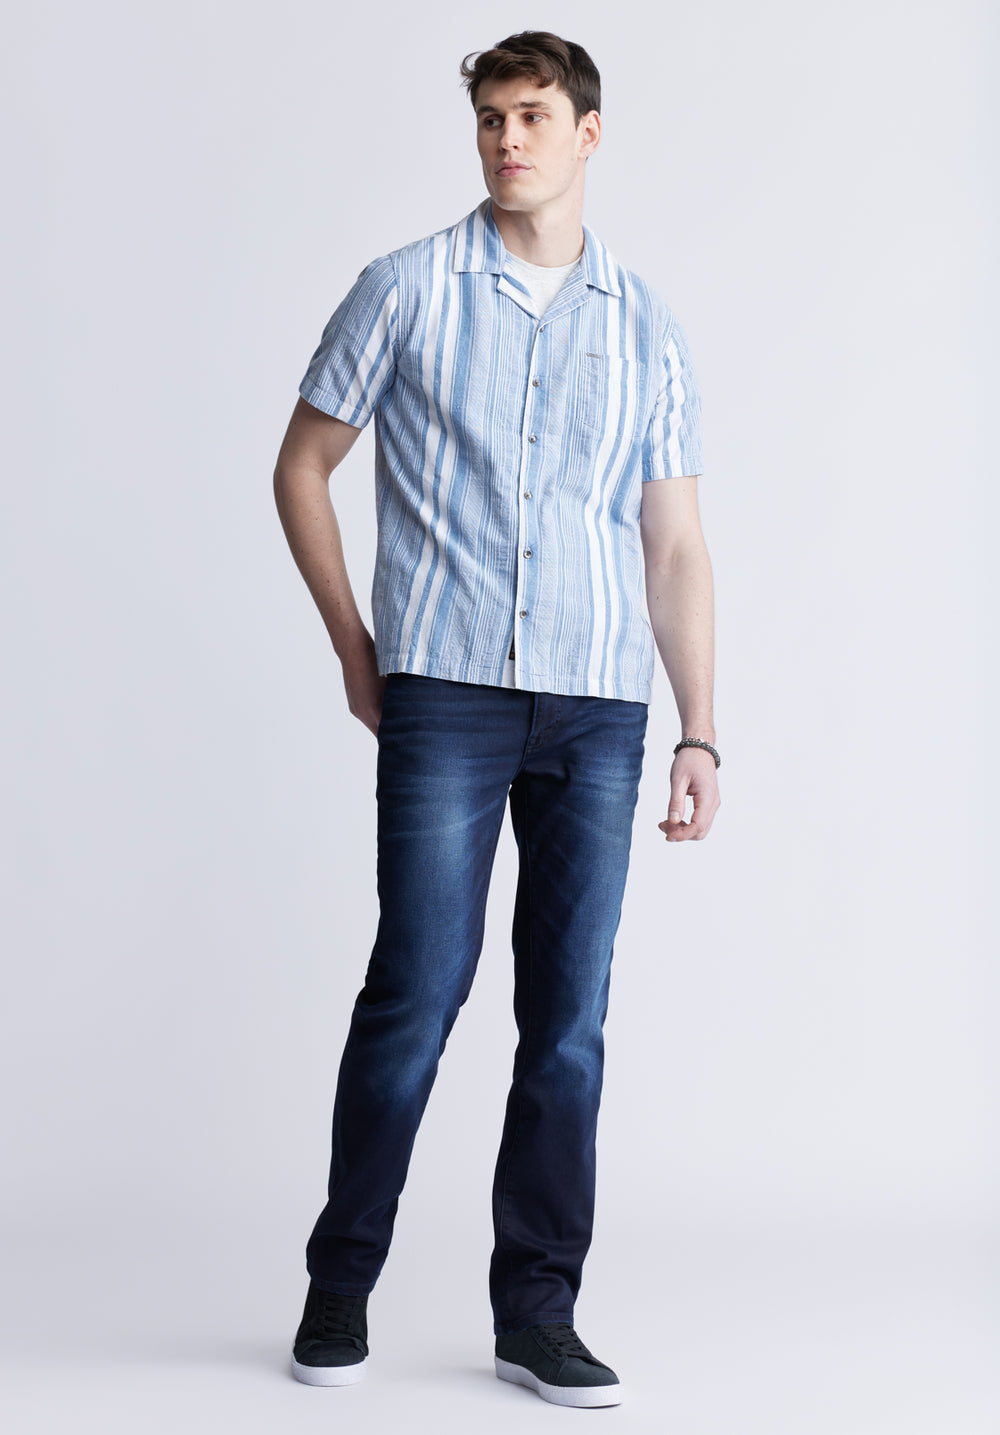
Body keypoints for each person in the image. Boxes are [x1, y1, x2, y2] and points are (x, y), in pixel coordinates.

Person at [272, 30, 720, 1409]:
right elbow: (302, 466)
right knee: (415, 991)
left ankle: (538, 1313)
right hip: (447, 694)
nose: (507, 140)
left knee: (568, 1021)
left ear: (589, 132)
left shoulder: (647, 324)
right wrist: (357, 650)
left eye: (531, 116)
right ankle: (340, 1286)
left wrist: (700, 728)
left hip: (598, 709)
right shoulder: (404, 289)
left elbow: (674, 544)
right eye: (489, 118)